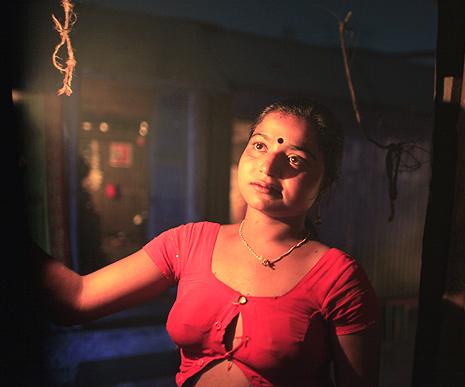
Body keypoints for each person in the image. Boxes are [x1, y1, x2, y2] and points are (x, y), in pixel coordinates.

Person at [40, 98, 380, 386]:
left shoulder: (339, 279)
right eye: (259, 145)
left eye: (295, 159)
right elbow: (76, 300)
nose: (268, 165)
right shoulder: (189, 243)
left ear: (325, 184)